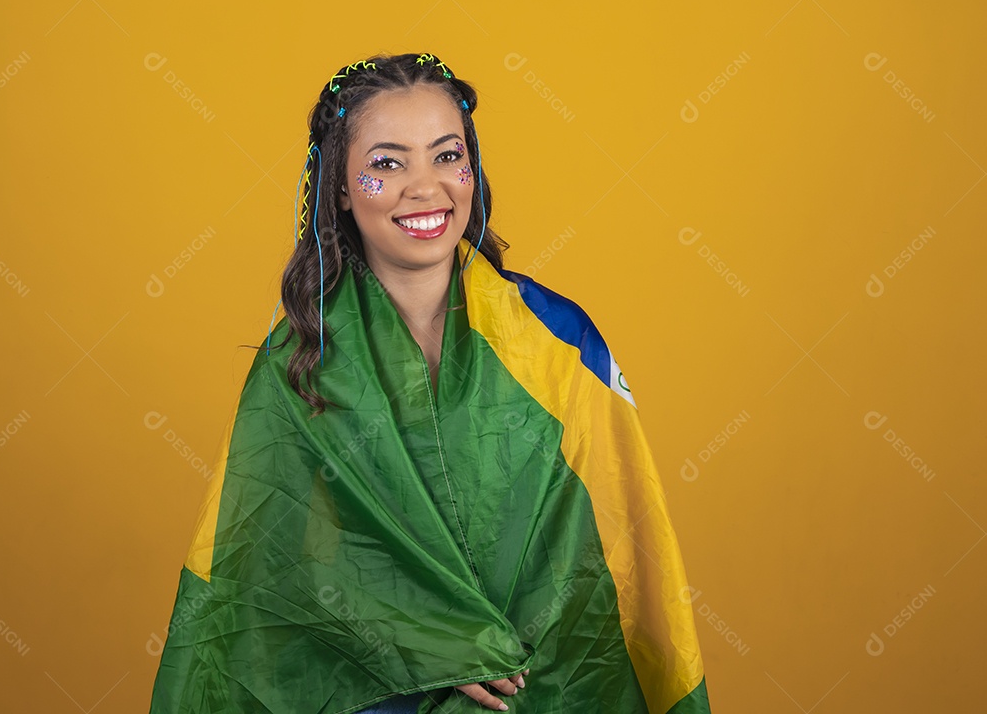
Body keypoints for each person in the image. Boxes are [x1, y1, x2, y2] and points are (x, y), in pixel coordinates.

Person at [148, 52, 710, 714]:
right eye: (388, 163)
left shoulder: (560, 339)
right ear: (340, 186)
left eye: (447, 156)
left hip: (543, 686)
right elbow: (263, 580)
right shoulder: (296, 363)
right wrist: (432, 640)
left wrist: (495, 649)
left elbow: (619, 544)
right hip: (377, 699)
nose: (426, 187)